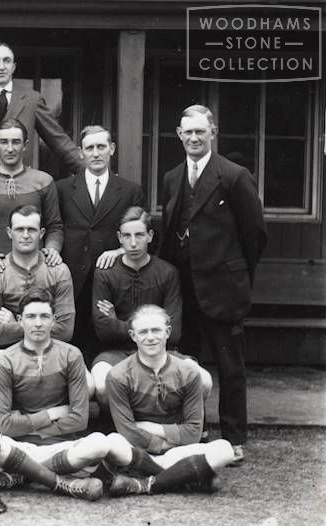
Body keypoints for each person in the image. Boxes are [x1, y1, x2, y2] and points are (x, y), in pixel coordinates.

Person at [159, 104, 267, 463]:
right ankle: (197, 431)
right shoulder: (172, 177)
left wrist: (237, 274)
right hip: (184, 288)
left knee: (229, 365)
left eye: (200, 132)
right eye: (188, 132)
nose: (194, 138)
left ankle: (234, 438)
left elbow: (255, 233)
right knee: (188, 364)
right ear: (179, 134)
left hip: (224, 288)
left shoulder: (234, 176)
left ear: (213, 133)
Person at [0, 288, 108, 501]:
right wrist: (53, 413)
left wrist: (28, 425)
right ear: (20, 321)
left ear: (53, 320)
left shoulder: (71, 355)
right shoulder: (4, 360)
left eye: (44, 316)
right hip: (20, 447)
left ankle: (22, 476)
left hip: (61, 448)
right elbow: (5, 425)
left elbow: (79, 420)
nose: (38, 323)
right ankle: (63, 484)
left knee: (100, 444)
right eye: (31, 316)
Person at [104, 305, 236, 496]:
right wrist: (162, 444)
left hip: (178, 451)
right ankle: (185, 475)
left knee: (225, 449)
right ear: (133, 336)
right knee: (113, 442)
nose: (150, 337)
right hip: (140, 450)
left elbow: (193, 432)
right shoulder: (118, 375)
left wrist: (150, 427)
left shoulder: (189, 373)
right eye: (143, 332)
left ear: (167, 332)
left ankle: (144, 483)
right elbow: (127, 431)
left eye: (156, 330)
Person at [90, 206, 212, 407]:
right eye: (127, 236)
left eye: (139, 235)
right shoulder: (105, 274)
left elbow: (174, 332)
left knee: (203, 380)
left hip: (162, 352)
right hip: (116, 353)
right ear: (119, 238)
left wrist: (118, 322)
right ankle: (120, 423)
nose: (133, 243)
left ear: (150, 236)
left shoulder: (167, 272)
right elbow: (104, 331)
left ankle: (174, 421)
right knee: (102, 385)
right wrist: (152, 328)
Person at [0, 117, 64, 350]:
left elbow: (55, 226)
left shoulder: (43, 181)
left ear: (25, 145)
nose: (10, 148)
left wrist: (52, 249)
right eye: (4, 142)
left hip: (35, 271)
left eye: (16, 142)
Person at [55, 125, 144, 359]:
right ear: (80, 152)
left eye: (101, 147)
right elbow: (55, 229)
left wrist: (120, 250)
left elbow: (139, 233)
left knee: (105, 349)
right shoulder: (63, 189)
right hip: (73, 279)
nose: (95, 153)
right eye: (90, 148)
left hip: (110, 279)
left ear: (111, 149)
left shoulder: (130, 191)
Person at [0, 204, 78, 404]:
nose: (25, 235)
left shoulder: (58, 270)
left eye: (31, 229)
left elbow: (66, 331)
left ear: (41, 233)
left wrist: (16, 324)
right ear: (9, 232)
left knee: (90, 386)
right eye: (19, 229)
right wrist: (42, 324)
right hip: (7, 350)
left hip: (52, 348)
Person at [0, 42, 83, 185]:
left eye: (6, 61)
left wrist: (87, 171)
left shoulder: (32, 100)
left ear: (13, 66)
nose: (1, 66)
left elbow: (58, 140)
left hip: (21, 184)